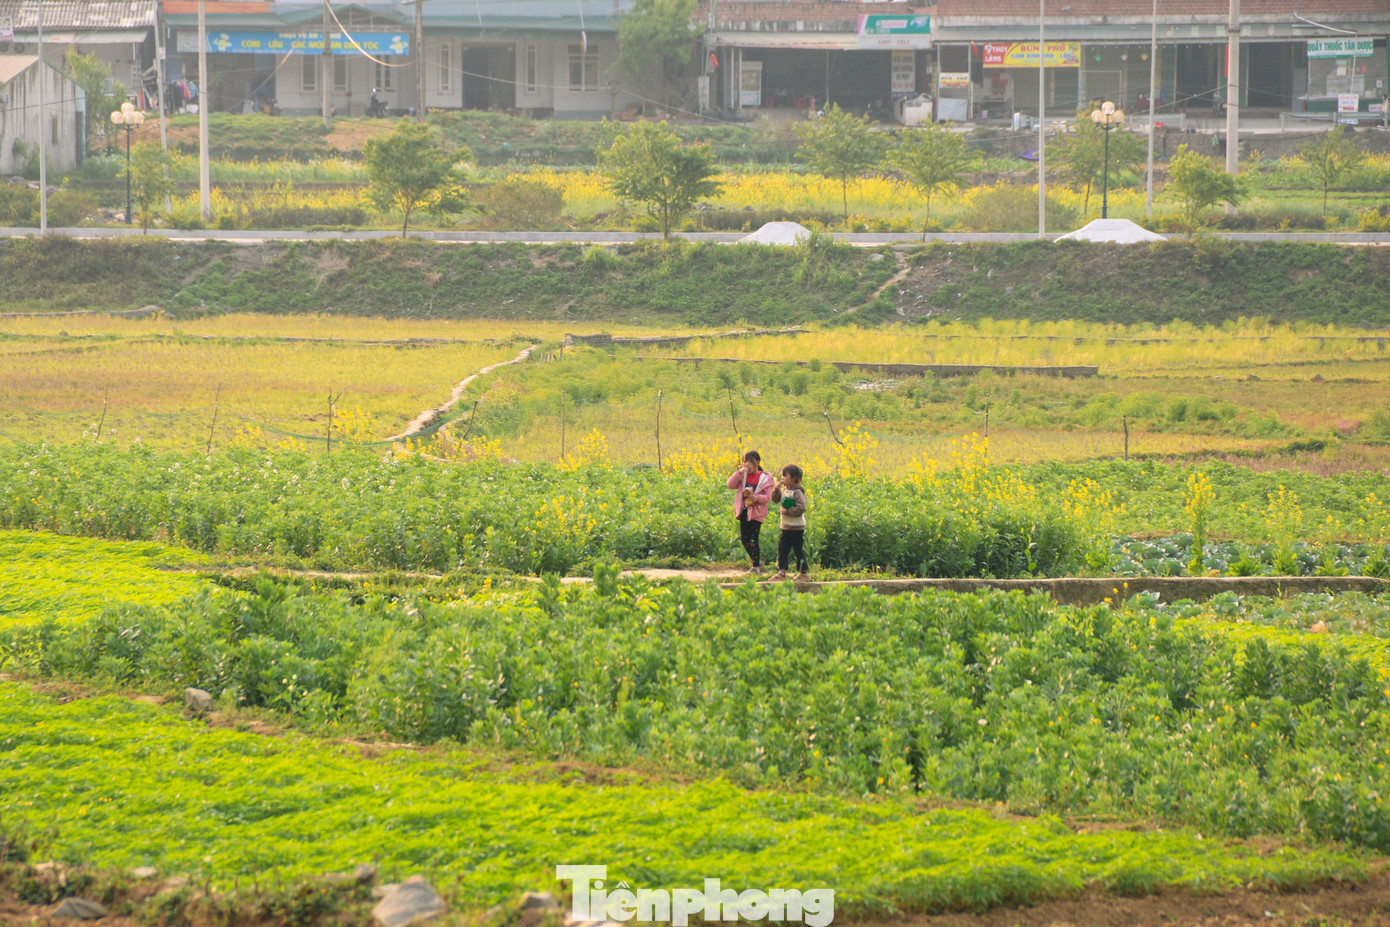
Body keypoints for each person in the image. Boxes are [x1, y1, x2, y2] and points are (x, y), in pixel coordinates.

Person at [727, 450, 774, 574]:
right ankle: (757, 561)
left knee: (753, 540)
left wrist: (757, 498)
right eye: (744, 461)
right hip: (743, 511)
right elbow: (730, 485)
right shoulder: (742, 476)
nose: (747, 464)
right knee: (744, 540)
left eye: (750, 462)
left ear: (757, 463)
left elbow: (768, 497)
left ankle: (756, 567)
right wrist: (739, 473)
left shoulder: (765, 478)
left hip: (756, 513)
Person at [768, 464, 810, 582]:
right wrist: (776, 489)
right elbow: (775, 500)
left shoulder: (797, 492)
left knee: (798, 550)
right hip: (785, 527)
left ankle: (803, 574)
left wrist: (788, 511)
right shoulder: (784, 490)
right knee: (782, 550)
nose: (782, 479)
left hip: (797, 528)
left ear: (794, 478)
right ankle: (782, 573)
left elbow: (802, 507)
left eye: (784, 476)